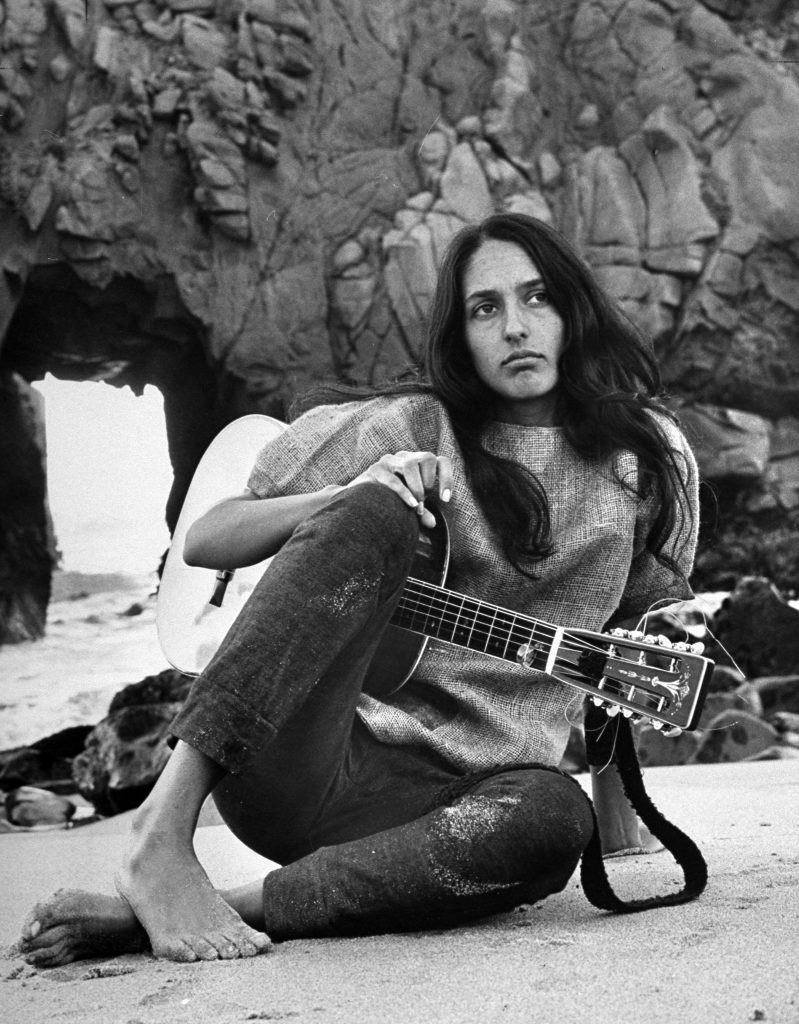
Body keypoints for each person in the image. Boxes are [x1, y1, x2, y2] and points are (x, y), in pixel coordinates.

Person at [19, 213, 699, 967]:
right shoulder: (415, 423)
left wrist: (617, 819)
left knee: (549, 821)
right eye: (485, 307)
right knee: (373, 508)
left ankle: (225, 909)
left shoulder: (646, 462)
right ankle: (160, 835)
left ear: (574, 307)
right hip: (297, 759)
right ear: (459, 331)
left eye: (537, 298)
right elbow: (209, 538)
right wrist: (344, 499)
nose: (515, 327)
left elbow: (622, 644)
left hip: (452, 806)